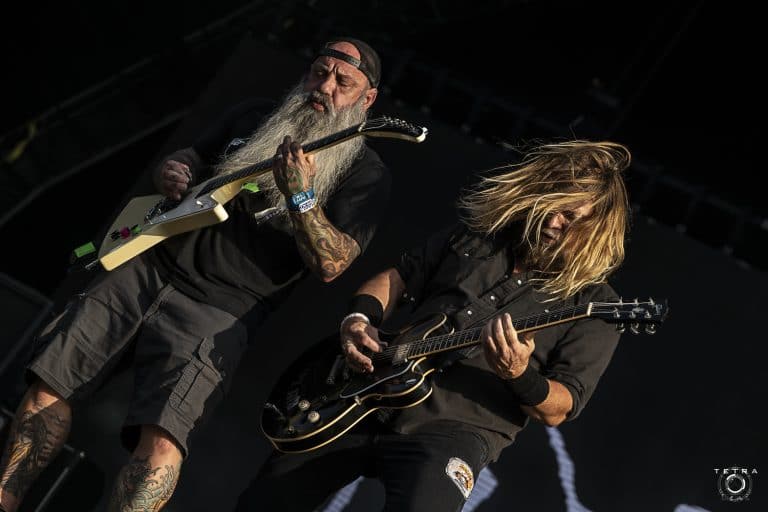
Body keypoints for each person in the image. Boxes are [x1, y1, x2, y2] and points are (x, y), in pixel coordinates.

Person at [0, 36, 390, 512]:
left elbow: (332, 264)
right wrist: (176, 168)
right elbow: (191, 156)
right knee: (51, 382)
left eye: (342, 82)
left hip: (220, 310)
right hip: (147, 265)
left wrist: (301, 195)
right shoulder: (255, 114)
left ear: (367, 98)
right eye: (319, 72)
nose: (324, 87)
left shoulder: (365, 172)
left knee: (163, 438)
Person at [235, 140, 632, 511]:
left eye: (570, 216)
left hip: (455, 431)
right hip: (362, 393)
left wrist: (519, 374)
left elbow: (561, 406)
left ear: (598, 230)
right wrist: (359, 320)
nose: (552, 220)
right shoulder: (479, 237)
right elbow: (398, 277)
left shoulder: (596, 305)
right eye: (550, 205)